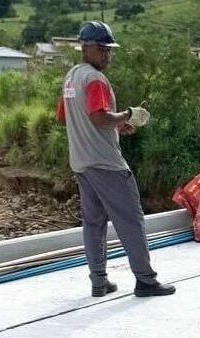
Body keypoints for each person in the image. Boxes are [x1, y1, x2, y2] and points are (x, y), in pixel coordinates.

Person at [55, 21, 175, 298]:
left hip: (81, 164)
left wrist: (116, 126)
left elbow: (65, 117)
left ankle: (99, 282)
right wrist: (126, 116)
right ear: (90, 48)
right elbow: (98, 116)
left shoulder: (71, 77)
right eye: (105, 50)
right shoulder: (96, 79)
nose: (108, 56)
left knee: (94, 223)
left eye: (109, 50)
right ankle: (146, 280)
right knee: (130, 220)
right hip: (106, 164)